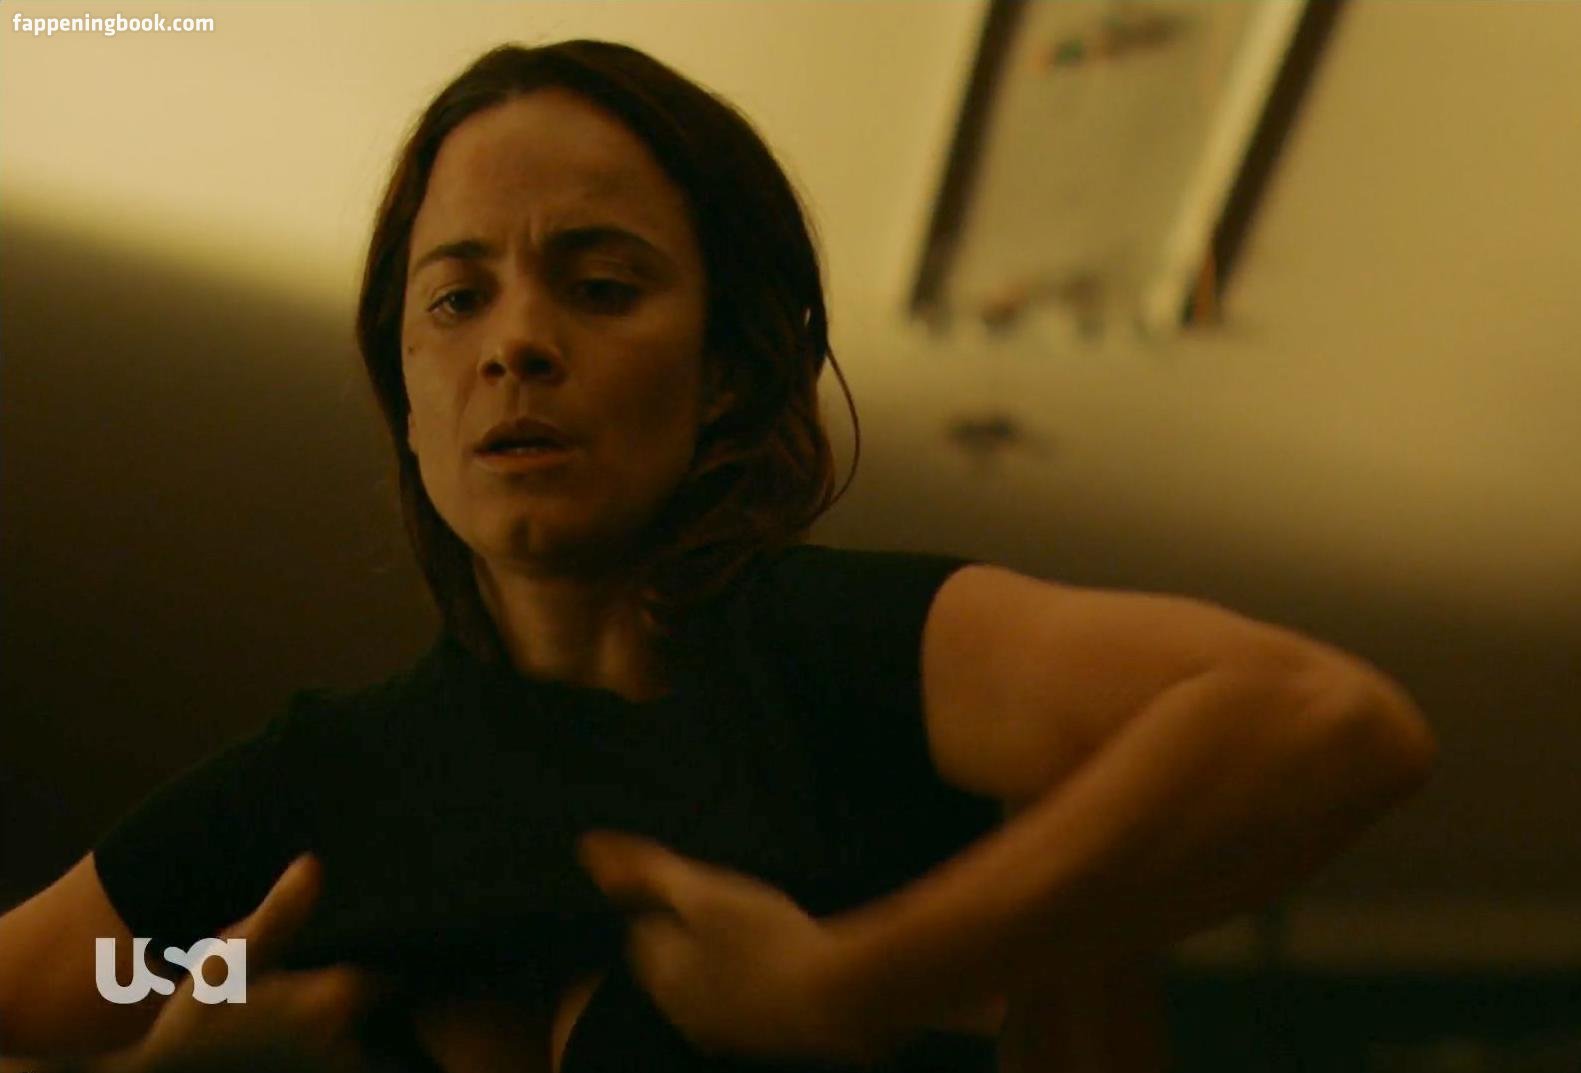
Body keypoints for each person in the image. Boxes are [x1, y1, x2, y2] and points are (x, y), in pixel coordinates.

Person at [0, 38, 1436, 1073]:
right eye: (455, 297)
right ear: (407, 385)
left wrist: (855, 981)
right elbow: (69, 986)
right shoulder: (322, 789)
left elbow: (1323, 719)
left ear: (729, 368)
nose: (515, 342)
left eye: (599, 284)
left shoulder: (842, 664)